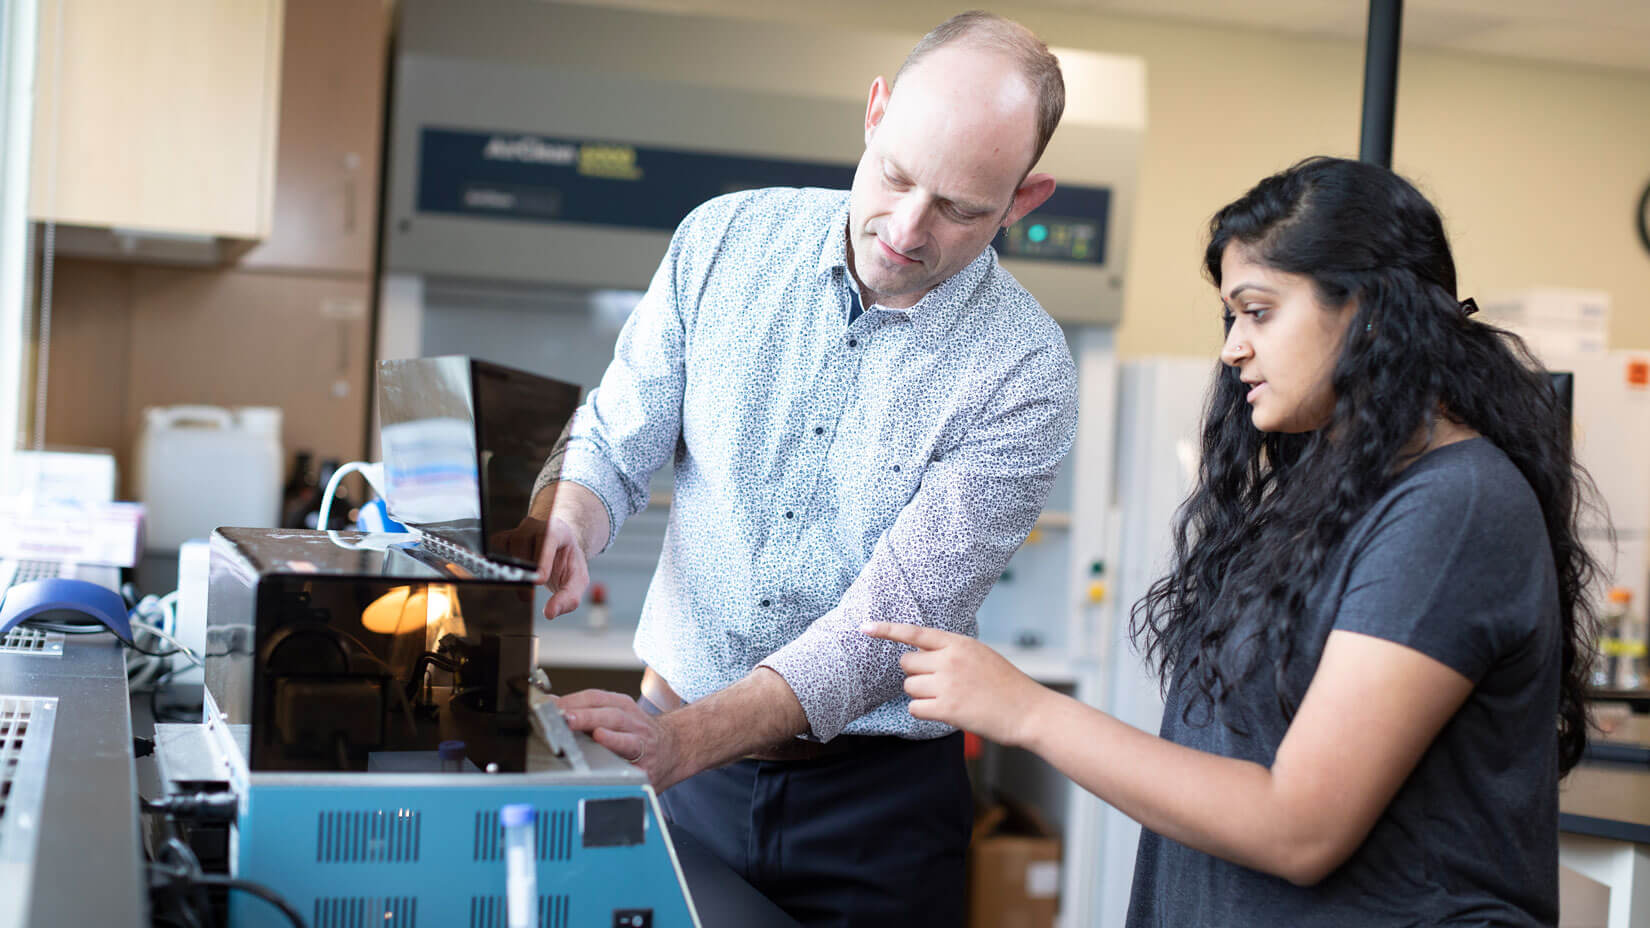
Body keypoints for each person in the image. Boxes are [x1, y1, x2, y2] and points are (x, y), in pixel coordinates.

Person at [866, 156, 1598, 926]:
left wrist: (1027, 711)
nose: (1232, 349)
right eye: (1230, 318)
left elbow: (1300, 827)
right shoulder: (1327, 495)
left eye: (1258, 312)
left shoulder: (1456, 507)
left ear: (1372, 311)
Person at [518, 12, 1078, 926]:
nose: (905, 228)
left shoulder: (1025, 372)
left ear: (1024, 200)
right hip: (679, 785)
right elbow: (616, 435)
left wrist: (678, 740)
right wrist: (568, 520)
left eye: (961, 208)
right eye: (897, 176)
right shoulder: (724, 241)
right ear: (875, 111)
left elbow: (887, 625)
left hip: (878, 817)